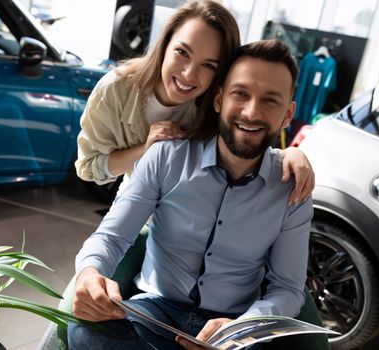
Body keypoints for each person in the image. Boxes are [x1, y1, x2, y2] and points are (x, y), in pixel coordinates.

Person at [68, 39, 313, 350]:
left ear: (287, 115)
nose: (252, 112)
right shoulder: (165, 158)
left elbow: (288, 289)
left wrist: (242, 328)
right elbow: (112, 236)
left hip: (235, 328)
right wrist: (90, 272)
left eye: (270, 101)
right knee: (88, 335)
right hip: (154, 313)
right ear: (219, 99)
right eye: (240, 94)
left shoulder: (293, 187)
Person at [75, 0, 314, 204]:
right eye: (182, 53)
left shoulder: (214, 102)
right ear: (165, 43)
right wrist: (145, 149)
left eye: (208, 65)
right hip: (136, 208)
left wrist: (288, 156)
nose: (189, 74)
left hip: (189, 218)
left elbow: (243, 141)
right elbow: (89, 167)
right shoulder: (115, 90)